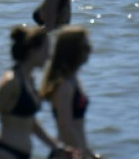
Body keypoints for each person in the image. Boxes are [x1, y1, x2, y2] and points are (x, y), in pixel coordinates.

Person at [0, 25, 66, 159]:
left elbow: (30, 122)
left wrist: (57, 147)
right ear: (32, 50)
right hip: (5, 153)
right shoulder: (11, 81)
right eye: (46, 51)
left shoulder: (29, 80)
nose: (49, 57)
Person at [40, 26, 100, 159]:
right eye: (85, 47)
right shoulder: (64, 85)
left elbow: (76, 127)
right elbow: (65, 125)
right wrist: (82, 154)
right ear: (73, 51)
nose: (90, 50)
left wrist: (89, 153)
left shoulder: (73, 80)